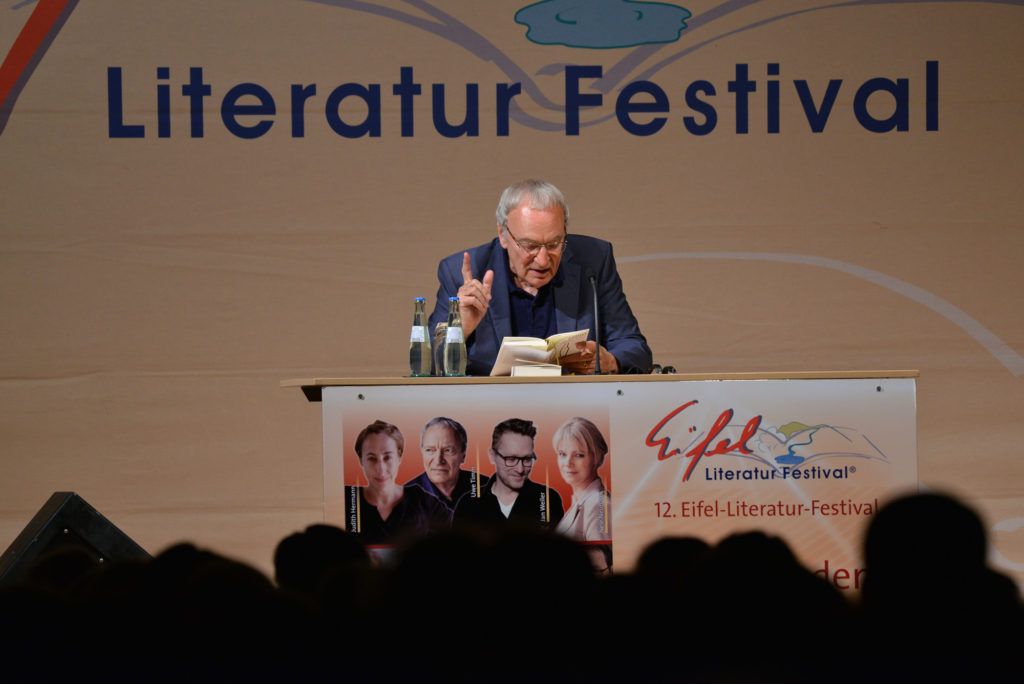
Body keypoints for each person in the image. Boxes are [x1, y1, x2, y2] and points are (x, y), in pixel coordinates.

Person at [429, 179, 652, 376]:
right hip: (490, 409)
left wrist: (610, 361)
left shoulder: (592, 262)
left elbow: (633, 347)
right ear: (503, 235)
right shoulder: (463, 272)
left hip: (575, 405)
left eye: (555, 244)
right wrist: (459, 330)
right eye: (530, 246)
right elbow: (426, 364)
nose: (543, 260)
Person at [344, 420, 450, 545]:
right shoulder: (345, 499)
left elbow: (461, 532)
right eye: (371, 458)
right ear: (361, 461)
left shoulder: (421, 500)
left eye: (387, 457)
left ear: (399, 458)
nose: (381, 469)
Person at [453, 418, 563, 530]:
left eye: (527, 459)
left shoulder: (549, 500)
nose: (520, 469)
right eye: (511, 459)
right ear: (492, 456)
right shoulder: (467, 504)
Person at [404, 416, 487, 511]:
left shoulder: (486, 487)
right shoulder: (404, 499)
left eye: (448, 450)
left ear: (463, 455)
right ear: (422, 452)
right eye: (430, 450)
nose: (438, 460)